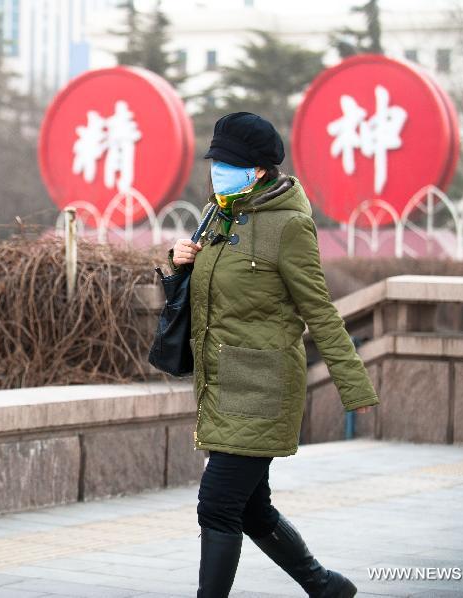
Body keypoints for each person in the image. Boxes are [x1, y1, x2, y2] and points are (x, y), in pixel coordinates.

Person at [168, 112, 380, 598]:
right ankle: (324, 586)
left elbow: (319, 311)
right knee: (251, 508)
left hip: (262, 385)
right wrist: (180, 262)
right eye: (215, 160)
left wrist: (353, 386)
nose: (217, 169)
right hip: (220, 381)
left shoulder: (289, 227)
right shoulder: (218, 214)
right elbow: (210, 295)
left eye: (228, 162)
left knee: (217, 504)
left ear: (258, 170)